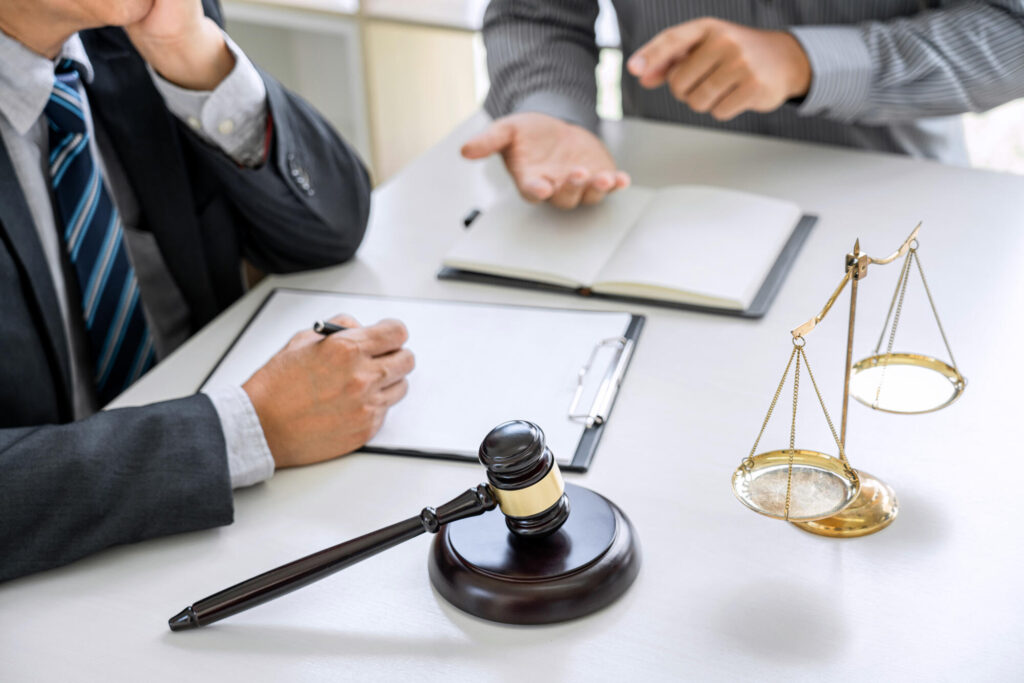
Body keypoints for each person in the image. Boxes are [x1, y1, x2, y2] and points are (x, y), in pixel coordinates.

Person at [0, 0, 414, 581]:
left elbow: (330, 232)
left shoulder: (126, 31)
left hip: (233, 529)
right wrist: (243, 429)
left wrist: (189, 52)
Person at [463, 1, 1024, 209]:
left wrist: (808, 61)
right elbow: (537, 12)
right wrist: (552, 107)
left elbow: (1012, 32)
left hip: (895, 202)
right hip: (658, 204)